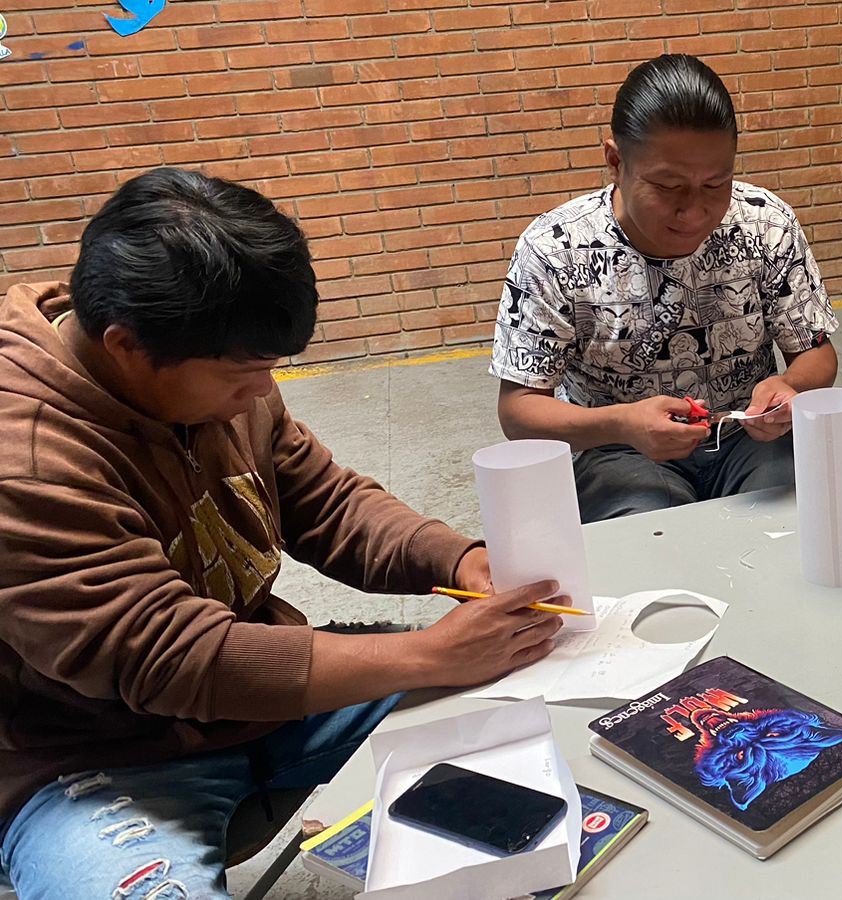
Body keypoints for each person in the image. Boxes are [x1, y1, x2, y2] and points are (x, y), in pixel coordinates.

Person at [0, 168, 567, 900]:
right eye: (243, 373)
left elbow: (326, 503)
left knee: (530, 689)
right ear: (126, 347)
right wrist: (428, 653)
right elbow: (169, 659)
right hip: (92, 757)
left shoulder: (211, 377)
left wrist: (457, 559)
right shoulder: (27, 461)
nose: (263, 392)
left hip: (262, 704)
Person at [493, 54, 839, 523]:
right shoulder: (556, 250)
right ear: (616, 162)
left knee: (796, 521)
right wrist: (621, 423)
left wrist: (789, 386)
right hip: (617, 450)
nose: (693, 212)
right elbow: (518, 411)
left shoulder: (765, 223)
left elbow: (816, 353)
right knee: (651, 528)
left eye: (715, 184)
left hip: (747, 438)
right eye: (668, 186)